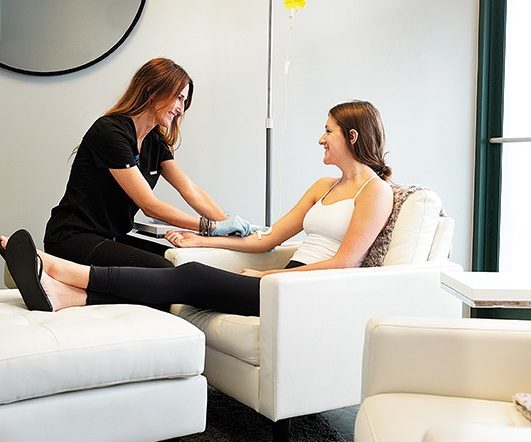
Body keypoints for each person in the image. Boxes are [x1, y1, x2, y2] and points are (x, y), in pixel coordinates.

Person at [3, 100, 394, 316]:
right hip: (283, 280)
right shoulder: (323, 186)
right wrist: (202, 237)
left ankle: (54, 266)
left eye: (328, 130)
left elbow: (344, 264)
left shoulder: (375, 192)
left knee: (189, 278)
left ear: (352, 136)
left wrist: (275, 276)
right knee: (180, 270)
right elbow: (266, 239)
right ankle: (63, 294)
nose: (320, 139)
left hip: (303, 290)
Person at [43, 57, 256, 270]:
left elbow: (189, 189)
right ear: (153, 91)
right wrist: (211, 227)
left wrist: (230, 226)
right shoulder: (110, 132)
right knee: (162, 272)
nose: (181, 110)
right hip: (71, 238)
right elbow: (149, 205)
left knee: (183, 263)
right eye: (178, 98)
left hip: (110, 237)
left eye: (185, 102)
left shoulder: (154, 141)